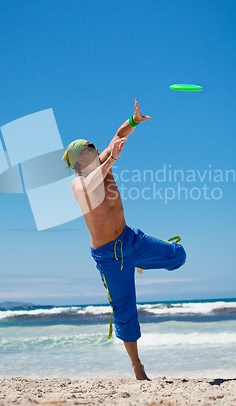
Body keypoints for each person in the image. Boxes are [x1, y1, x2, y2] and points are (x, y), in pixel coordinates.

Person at [62, 99, 187, 380]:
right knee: (126, 312)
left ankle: (141, 261)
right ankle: (137, 367)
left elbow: (118, 136)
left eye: (95, 146)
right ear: (80, 159)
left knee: (178, 256)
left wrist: (133, 121)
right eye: (90, 148)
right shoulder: (78, 183)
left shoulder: (104, 159)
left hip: (131, 240)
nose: (96, 148)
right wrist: (112, 159)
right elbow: (90, 185)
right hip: (109, 255)